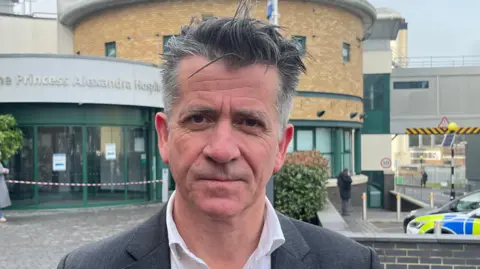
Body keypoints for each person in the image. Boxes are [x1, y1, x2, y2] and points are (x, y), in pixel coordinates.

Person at [57, 13, 380, 269]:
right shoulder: (86, 266)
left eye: (250, 122)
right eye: (199, 119)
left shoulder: (352, 264)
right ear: (165, 136)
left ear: (281, 147)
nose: (222, 151)